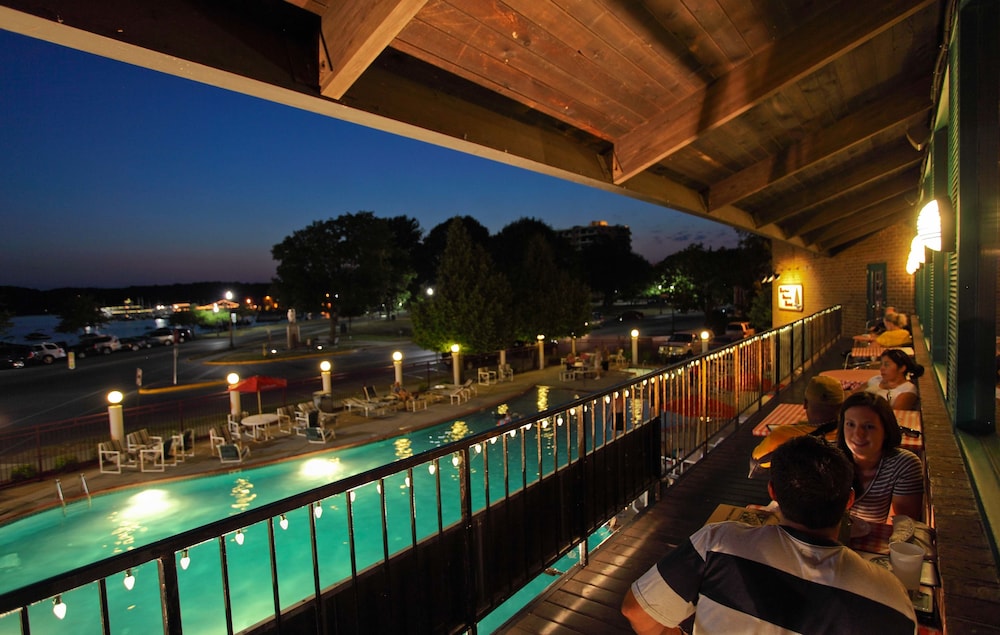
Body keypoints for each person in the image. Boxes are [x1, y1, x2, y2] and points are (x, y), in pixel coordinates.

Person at [622, 435, 918, 634]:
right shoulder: (891, 599)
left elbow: (637, 612)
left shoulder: (718, 545)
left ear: (773, 493)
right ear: (849, 500)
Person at [836, 391, 923, 524]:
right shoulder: (829, 459)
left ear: (886, 430)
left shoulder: (904, 464)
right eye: (850, 424)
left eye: (869, 426)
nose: (858, 434)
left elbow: (903, 527)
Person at [749, 375, 844, 477]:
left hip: (796, 486)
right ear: (841, 406)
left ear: (805, 404)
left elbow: (757, 461)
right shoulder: (850, 434)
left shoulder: (782, 435)